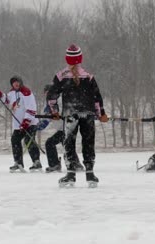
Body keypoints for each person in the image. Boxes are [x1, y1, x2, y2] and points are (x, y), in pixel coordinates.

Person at [46, 44, 108, 188]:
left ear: (67, 59)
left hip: (70, 114)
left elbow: (52, 96)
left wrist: (54, 111)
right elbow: (97, 98)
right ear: (80, 59)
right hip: (88, 115)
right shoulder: (89, 76)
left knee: (69, 144)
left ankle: (71, 174)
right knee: (88, 143)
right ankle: (90, 173)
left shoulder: (61, 76)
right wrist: (101, 114)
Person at [0, 76, 42, 172]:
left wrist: (26, 121)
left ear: (21, 82)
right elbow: (7, 100)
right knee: (15, 140)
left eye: (17, 82)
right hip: (18, 124)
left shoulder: (26, 92)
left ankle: (36, 162)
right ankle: (18, 162)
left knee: (28, 141)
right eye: (14, 82)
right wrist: (0, 94)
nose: (16, 84)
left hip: (30, 123)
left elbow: (31, 107)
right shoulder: (11, 93)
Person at [38, 86, 84, 173]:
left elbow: (66, 110)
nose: (48, 95)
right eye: (46, 93)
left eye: (49, 92)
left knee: (50, 143)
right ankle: (75, 163)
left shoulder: (60, 100)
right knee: (66, 145)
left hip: (67, 127)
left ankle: (56, 165)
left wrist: (58, 114)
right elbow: (46, 119)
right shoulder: (48, 105)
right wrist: (38, 126)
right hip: (61, 129)